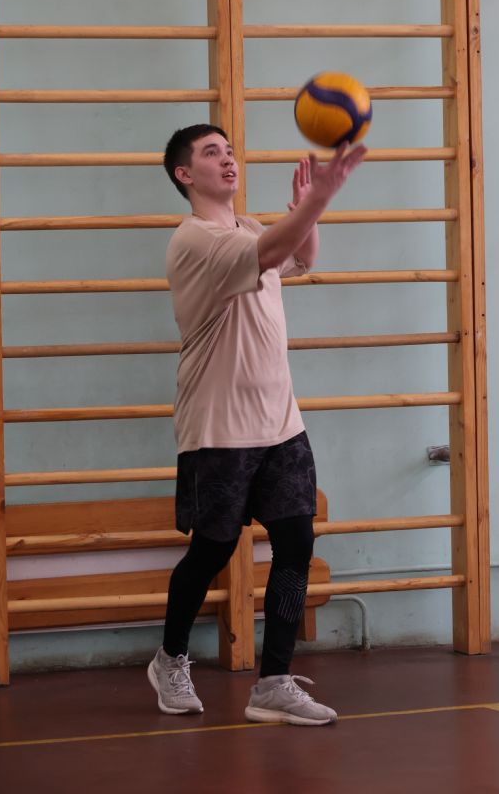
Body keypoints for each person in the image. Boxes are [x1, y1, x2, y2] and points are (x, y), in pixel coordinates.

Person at [147, 123, 366, 726]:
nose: (228, 159)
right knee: (212, 549)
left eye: (230, 150)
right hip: (219, 428)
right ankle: (170, 660)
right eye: (210, 153)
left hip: (281, 423)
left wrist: (304, 211)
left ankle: (273, 681)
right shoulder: (193, 240)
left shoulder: (246, 227)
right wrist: (318, 199)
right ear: (184, 174)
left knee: (296, 543)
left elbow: (300, 258)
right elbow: (271, 253)